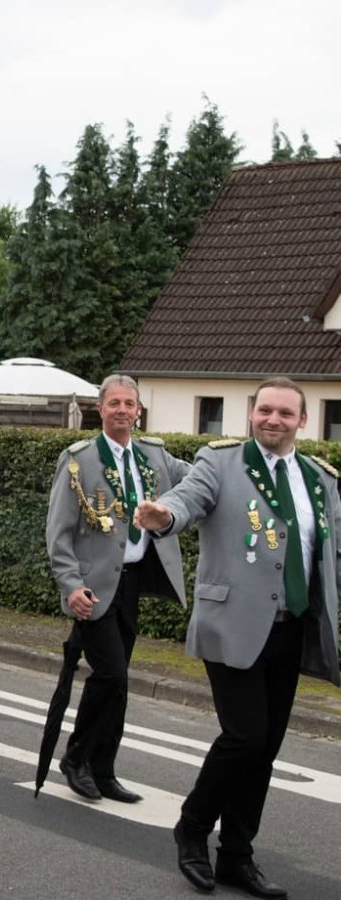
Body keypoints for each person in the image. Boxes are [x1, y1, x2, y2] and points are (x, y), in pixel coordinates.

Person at [135, 377, 340, 899]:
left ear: (303, 421)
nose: (274, 420)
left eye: (285, 413)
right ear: (251, 413)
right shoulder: (220, 462)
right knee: (245, 736)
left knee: (265, 749)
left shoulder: (319, 478)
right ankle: (193, 826)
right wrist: (165, 516)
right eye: (265, 410)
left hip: (291, 627)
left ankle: (237, 856)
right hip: (232, 624)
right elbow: (188, 499)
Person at [45, 374, 189, 803]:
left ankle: (103, 769)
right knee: (111, 674)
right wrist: (70, 585)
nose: (123, 411)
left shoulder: (155, 456)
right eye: (115, 404)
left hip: (131, 584)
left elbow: (202, 480)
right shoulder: (78, 460)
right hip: (92, 589)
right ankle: (76, 758)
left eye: (130, 404)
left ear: (138, 410)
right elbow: (59, 533)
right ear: (100, 409)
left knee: (118, 681)